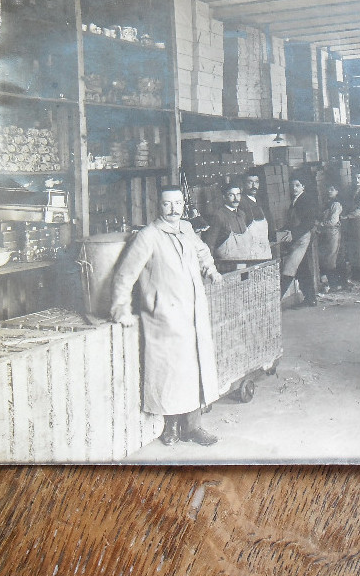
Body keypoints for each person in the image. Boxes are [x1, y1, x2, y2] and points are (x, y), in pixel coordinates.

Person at [110, 185, 224, 447]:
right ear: (158, 207)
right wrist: (120, 308)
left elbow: (202, 251)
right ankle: (170, 427)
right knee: (171, 372)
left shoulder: (186, 228)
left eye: (178, 203)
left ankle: (193, 427)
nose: (173, 209)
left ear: (183, 205)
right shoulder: (148, 236)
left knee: (194, 368)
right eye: (167, 204)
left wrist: (211, 270)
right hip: (164, 317)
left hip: (193, 313)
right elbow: (125, 274)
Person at [280, 176, 319, 306]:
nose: (294, 188)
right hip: (297, 238)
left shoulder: (305, 200)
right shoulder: (295, 200)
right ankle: (310, 298)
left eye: (297, 185)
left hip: (302, 238)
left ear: (303, 186)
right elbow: (292, 221)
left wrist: (294, 233)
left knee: (289, 268)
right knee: (303, 269)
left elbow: (309, 222)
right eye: (292, 185)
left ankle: (274, 302)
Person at [201, 181, 256, 266]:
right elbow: (210, 244)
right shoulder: (219, 215)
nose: (236, 198)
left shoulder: (242, 214)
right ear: (224, 197)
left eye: (238, 195)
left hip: (245, 262)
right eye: (231, 195)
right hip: (228, 266)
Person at [317, 183, 347, 292]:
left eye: (332, 189)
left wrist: (320, 224)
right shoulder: (328, 203)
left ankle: (335, 285)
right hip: (327, 232)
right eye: (328, 189)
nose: (330, 191)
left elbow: (333, 221)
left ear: (337, 192)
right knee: (328, 257)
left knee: (331, 257)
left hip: (333, 232)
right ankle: (333, 284)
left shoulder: (336, 204)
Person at [241, 171, 277, 246]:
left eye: (256, 182)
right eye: (250, 182)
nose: (254, 186)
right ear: (244, 184)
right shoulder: (242, 203)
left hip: (265, 241)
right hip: (251, 244)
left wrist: (272, 239)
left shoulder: (261, 200)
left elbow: (269, 220)